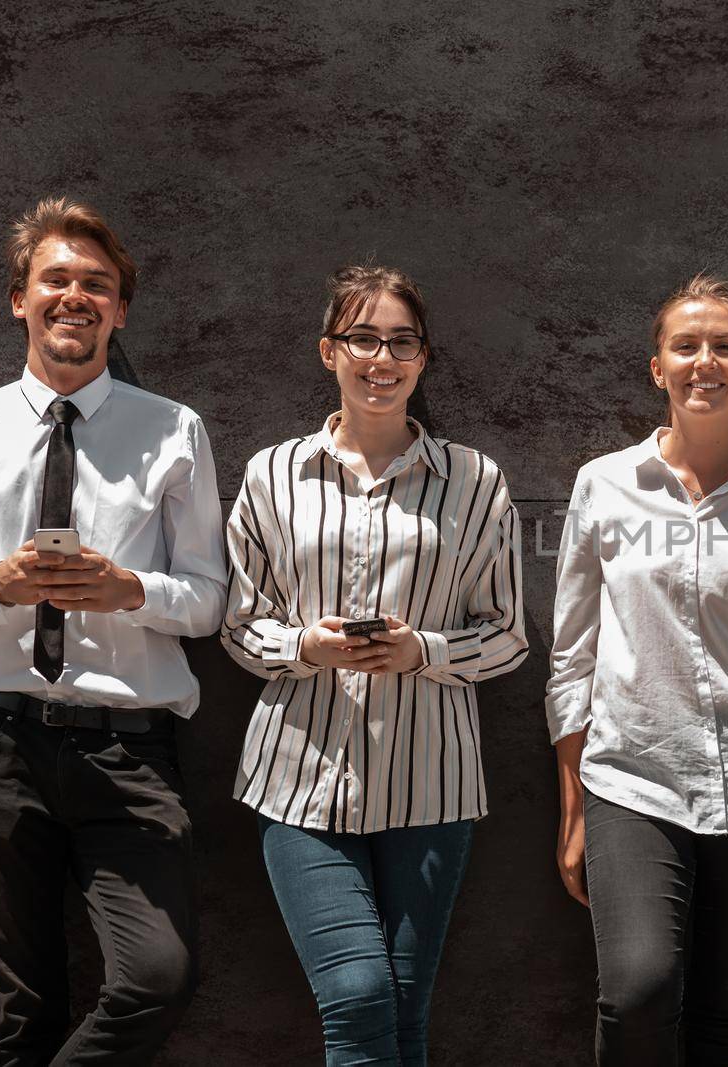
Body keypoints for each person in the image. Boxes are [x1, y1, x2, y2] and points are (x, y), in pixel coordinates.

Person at [0, 197, 228, 1063]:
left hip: (128, 751)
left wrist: (128, 589)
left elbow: (208, 600)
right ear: (21, 297)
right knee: (20, 1006)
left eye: (97, 283)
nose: (74, 296)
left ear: (120, 309)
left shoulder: (174, 430)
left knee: (158, 974)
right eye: (56, 279)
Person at [220, 264, 527, 1066]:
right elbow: (242, 624)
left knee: (402, 1008)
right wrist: (305, 646)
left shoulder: (475, 479)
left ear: (424, 358)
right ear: (330, 351)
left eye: (401, 341)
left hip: (432, 782)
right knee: (356, 993)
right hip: (300, 779)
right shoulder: (272, 474)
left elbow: (508, 634)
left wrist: (424, 649)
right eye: (363, 338)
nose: (381, 358)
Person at [545, 275, 728, 1065]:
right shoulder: (603, 486)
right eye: (686, 346)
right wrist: (573, 804)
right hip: (632, 784)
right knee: (639, 991)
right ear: (657, 368)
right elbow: (571, 658)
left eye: (724, 347)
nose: (704, 361)